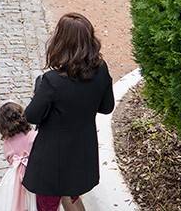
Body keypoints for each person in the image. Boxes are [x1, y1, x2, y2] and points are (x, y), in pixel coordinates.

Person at [22, 13, 115, 211]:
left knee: (47, 205)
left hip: (52, 160)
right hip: (81, 153)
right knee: (72, 197)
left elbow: (32, 116)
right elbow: (107, 107)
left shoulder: (53, 81)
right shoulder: (101, 70)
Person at [0, 102, 37, 211]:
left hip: (13, 179)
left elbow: (9, 158)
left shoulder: (7, 143)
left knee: (9, 203)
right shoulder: (33, 136)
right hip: (33, 176)